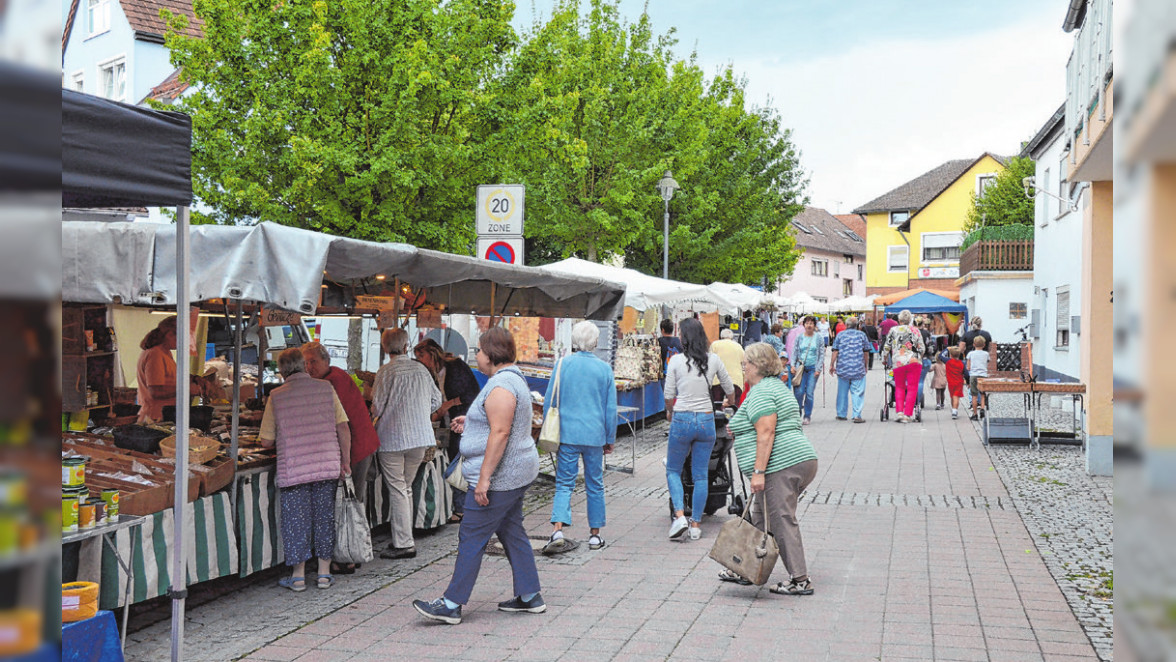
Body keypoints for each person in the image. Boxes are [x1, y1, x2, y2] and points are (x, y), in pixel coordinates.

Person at [412, 327, 542, 624]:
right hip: (516, 471)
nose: (477, 356)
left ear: (491, 354)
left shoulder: (502, 386)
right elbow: (493, 423)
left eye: (480, 351)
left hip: (501, 477)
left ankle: (452, 602)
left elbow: (500, 431)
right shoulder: (510, 380)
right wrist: (470, 422)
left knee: (471, 534)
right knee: (511, 530)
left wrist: (484, 479)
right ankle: (529, 595)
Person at [721, 343, 819, 595]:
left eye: (745, 364)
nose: (743, 368)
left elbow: (766, 431)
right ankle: (746, 567)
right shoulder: (775, 387)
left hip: (782, 464)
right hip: (797, 460)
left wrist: (758, 472)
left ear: (756, 366)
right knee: (761, 517)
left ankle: (800, 579)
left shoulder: (763, 391)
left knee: (781, 519)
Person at [259, 348, 351, 591]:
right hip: (326, 464)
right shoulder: (325, 388)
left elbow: (266, 441)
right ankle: (323, 574)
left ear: (281, 370)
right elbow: (343, 427)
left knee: (295, 522)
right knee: (324, 518)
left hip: (295, 468)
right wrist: (346, 461)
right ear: (304, 366)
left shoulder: (277, 396)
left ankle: (298, 577)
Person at [301, 342, 380, 575]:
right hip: (357, 446)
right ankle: (349, 552)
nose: (309, 367)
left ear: (325, 360)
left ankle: (348, 556)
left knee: (349, 503)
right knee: (351, 502)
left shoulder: (332, 381)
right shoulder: (334, 376)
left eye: (313, 361)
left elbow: (337, 424)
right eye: (305, 362)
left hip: (355, 448)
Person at [541, 321, 617, 554]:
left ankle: (557, 529)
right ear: (595, 342)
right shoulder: (604, 369)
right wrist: (610, 437)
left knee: (564, 483)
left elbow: (549, 401)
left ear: (575, 341)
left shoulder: (562, 364)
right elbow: (610, 409)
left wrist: (548, 428)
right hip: (594, 435)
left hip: (567, 434)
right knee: (595, 484)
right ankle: (595, 535)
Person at [370, 328, 442, 560]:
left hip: (393, 438)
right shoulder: (421, 369)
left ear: (384, 347)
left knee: (399, 489)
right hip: (420, 437)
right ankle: (403, 537)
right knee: (406, 488)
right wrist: (420, 412)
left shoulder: (386, 371)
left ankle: (404, 543)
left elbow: (376, 407)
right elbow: (436, 400)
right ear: (406, 346)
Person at [664, 318, 734, 542]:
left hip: (682, 419)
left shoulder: (675, 361)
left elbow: (668, 394)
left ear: (683, 338)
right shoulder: (713, 360)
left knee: (673, 470)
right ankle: (695, 525)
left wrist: (669, 412)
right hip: (706, 420)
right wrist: (727, 402)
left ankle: (679, 516)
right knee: (701, 474)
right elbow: (729, 387)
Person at [414, 339, 481, 524]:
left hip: (462, 421)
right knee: (453, 462)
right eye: (417, 356)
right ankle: (459, 506)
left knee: (459, 463)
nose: (419, 360)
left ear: (433, 353)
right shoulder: (430, 373)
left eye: (422, 355)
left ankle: (462, 509)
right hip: (447, 423)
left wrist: (448, 405)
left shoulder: (455, 367)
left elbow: (471, 394)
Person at [881, 310, 925, 423]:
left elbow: (887, 346)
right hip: (914, 361)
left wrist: (884, 358)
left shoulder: (893, 330)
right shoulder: (916, 331)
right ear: (910, 320)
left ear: (899, 320)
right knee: (912, 387)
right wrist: (919, 356)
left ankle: (899, 412)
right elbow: (922, 348)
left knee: (899, 386)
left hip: (898, 362)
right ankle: (908, 415)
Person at [136, 315, 179, 424]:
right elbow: (156, 391)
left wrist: (195, 379)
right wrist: (186, 389)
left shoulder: (165, 353)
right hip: (155, 419)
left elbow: (169, 379)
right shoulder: (155, 354)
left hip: (163, 417)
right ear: (170, 334)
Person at [830, 317, 871, 423]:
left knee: (842, 392)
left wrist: (831, 365)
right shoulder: (862, 335)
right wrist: (866, 365)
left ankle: (841, 414)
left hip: (843, 368)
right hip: (858, 368)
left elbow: (835, 351)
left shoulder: (840, 335)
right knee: (858, 392)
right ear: (857, 325)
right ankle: (857, 415)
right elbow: (866, 352)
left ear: (846, 325)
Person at [791, 316, 826, 426]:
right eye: (807, 323)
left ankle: (807, 415)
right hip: (801, 368)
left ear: (814, 325)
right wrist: (792, 365)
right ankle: (798, 412)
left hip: (812, 369)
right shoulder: (799, 337)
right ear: (804, 325)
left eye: (811, 323)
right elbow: (795, 352)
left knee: (809, 393)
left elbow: (821, 354)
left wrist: (818, 368)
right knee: (799, 392)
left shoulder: (818, 338)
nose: (809, 325)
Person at [710, 329, 745, 405]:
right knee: (734, 405)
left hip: (717, 380)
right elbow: (744, 362)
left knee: (717, 404)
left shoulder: (715, 345)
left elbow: (709, 361)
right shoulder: (738, 346)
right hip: (735, 379)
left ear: (721, 336)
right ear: (731, 337)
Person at [966, 336, 990, 420]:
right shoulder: (986, 354)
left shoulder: (970, 354)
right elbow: (987, 363)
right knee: (983, 394)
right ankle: (982, 408)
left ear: (973, 344)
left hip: (973, 375)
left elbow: (968, 367)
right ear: (984, 345)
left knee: (974, 395)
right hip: (983, 375)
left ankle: (975, 414)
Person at [916, 318, 934, 409]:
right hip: (925, 359)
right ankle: (918, 401)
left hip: (913, 360)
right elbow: (931, 347)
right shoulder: (926, 333)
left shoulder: (911, 332)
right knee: (920, 381)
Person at [945, 347, 966, 419]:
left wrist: (947, 349)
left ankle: (954, 409)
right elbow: (965, 373)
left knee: (952, 396)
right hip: (959, 382)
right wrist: (968, 381)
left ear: (950, 355)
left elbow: (940, 356)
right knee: (956, 396)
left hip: (950, 382)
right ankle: (955, 410)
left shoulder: (947, 361)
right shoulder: (962, 363)